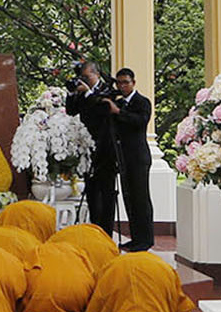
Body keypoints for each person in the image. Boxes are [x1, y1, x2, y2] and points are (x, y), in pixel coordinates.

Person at [66, 61, 122, 235]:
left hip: (106, 147)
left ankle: (106, 230)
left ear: (96, 74)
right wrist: (72, 93)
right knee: (91, 190)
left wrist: (89, 93)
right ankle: (94, 227)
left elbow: (103, 108)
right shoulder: (82, 93)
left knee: (106, 191)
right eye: (81, 77)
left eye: (87, 77)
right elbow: (71, 111)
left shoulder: (109, 90)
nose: (84, 80)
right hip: (87, 147)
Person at [110, 68, 155, 251]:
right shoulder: (119, 102)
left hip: (138, 157)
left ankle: (146, 239)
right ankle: (135, 237)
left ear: (133, 83)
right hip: (123, 157)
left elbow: (139, 121)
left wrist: (118, 112)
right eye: (119, 83)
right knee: (129, 197)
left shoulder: (142, 102)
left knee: (141, 198)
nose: (122, 86)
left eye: (125, 82)